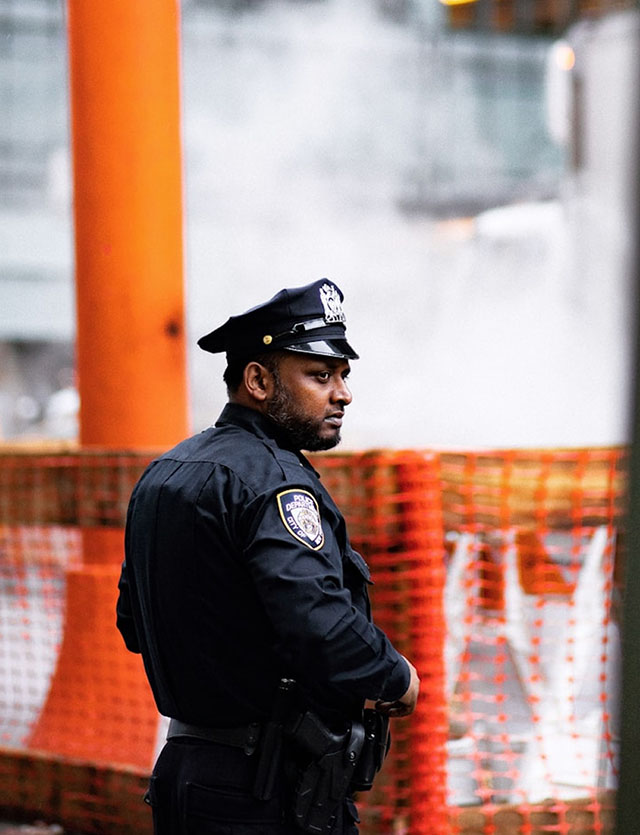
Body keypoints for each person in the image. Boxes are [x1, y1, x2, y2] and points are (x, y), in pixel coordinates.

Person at [116, 279, 420, 834]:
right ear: (257, 380)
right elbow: (319, 623)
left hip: (185, 776)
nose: (343, 394)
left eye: (343, 376)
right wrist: (396, 676)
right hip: (267, 790)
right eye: (320, 375)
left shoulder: (164, 474)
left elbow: (133, 623)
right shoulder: (277, 484)